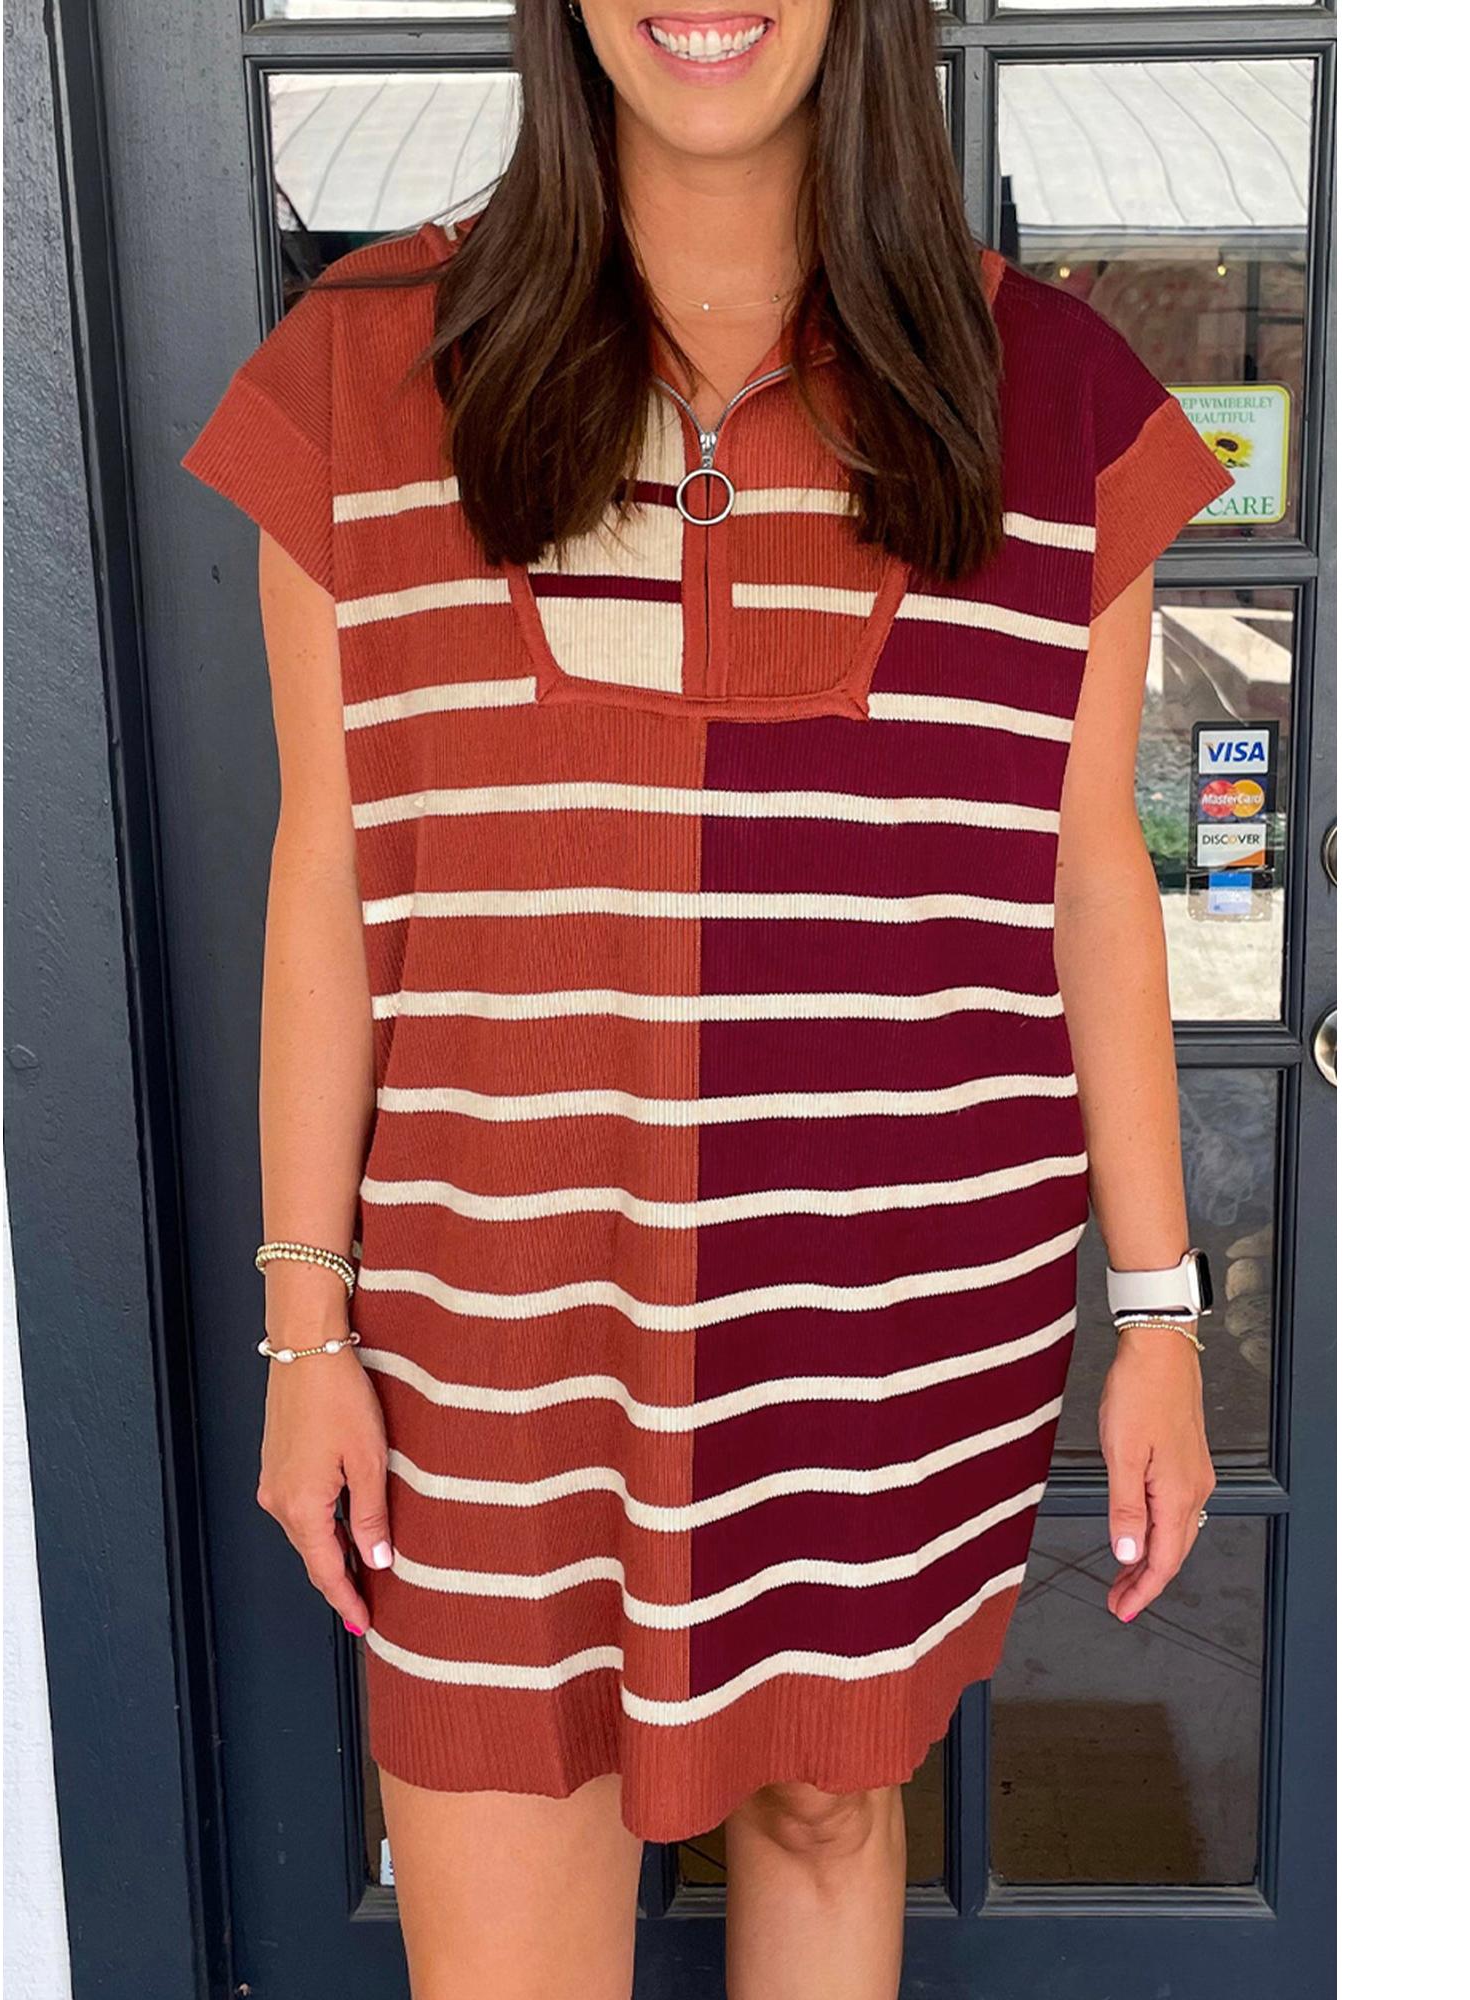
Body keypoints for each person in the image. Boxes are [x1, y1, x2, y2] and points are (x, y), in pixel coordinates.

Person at [182, 4, 1232, 1995]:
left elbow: (1087, 871)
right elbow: (330, 871)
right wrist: (304, 1324)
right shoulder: (359, 370)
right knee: (504, 1861)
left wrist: (1162, 1315)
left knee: (831, 1805)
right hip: (495, 1336)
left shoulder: (1053, 393)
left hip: (887, 1317)